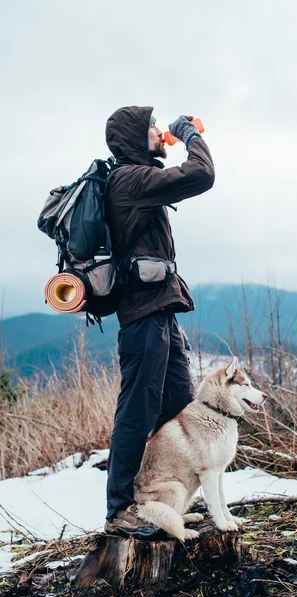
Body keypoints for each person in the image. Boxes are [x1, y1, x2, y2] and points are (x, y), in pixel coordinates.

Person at [103, 106, 215, 536]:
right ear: (134, 136)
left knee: (178, 408)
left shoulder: (139, 179)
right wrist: (189, 135)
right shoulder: (129, 179)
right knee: (137, 410)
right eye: (151, 126)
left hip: (160, 312)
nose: (158, 130)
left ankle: (170, 501)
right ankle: (119, 511)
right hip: (142, 317)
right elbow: (201, 174)